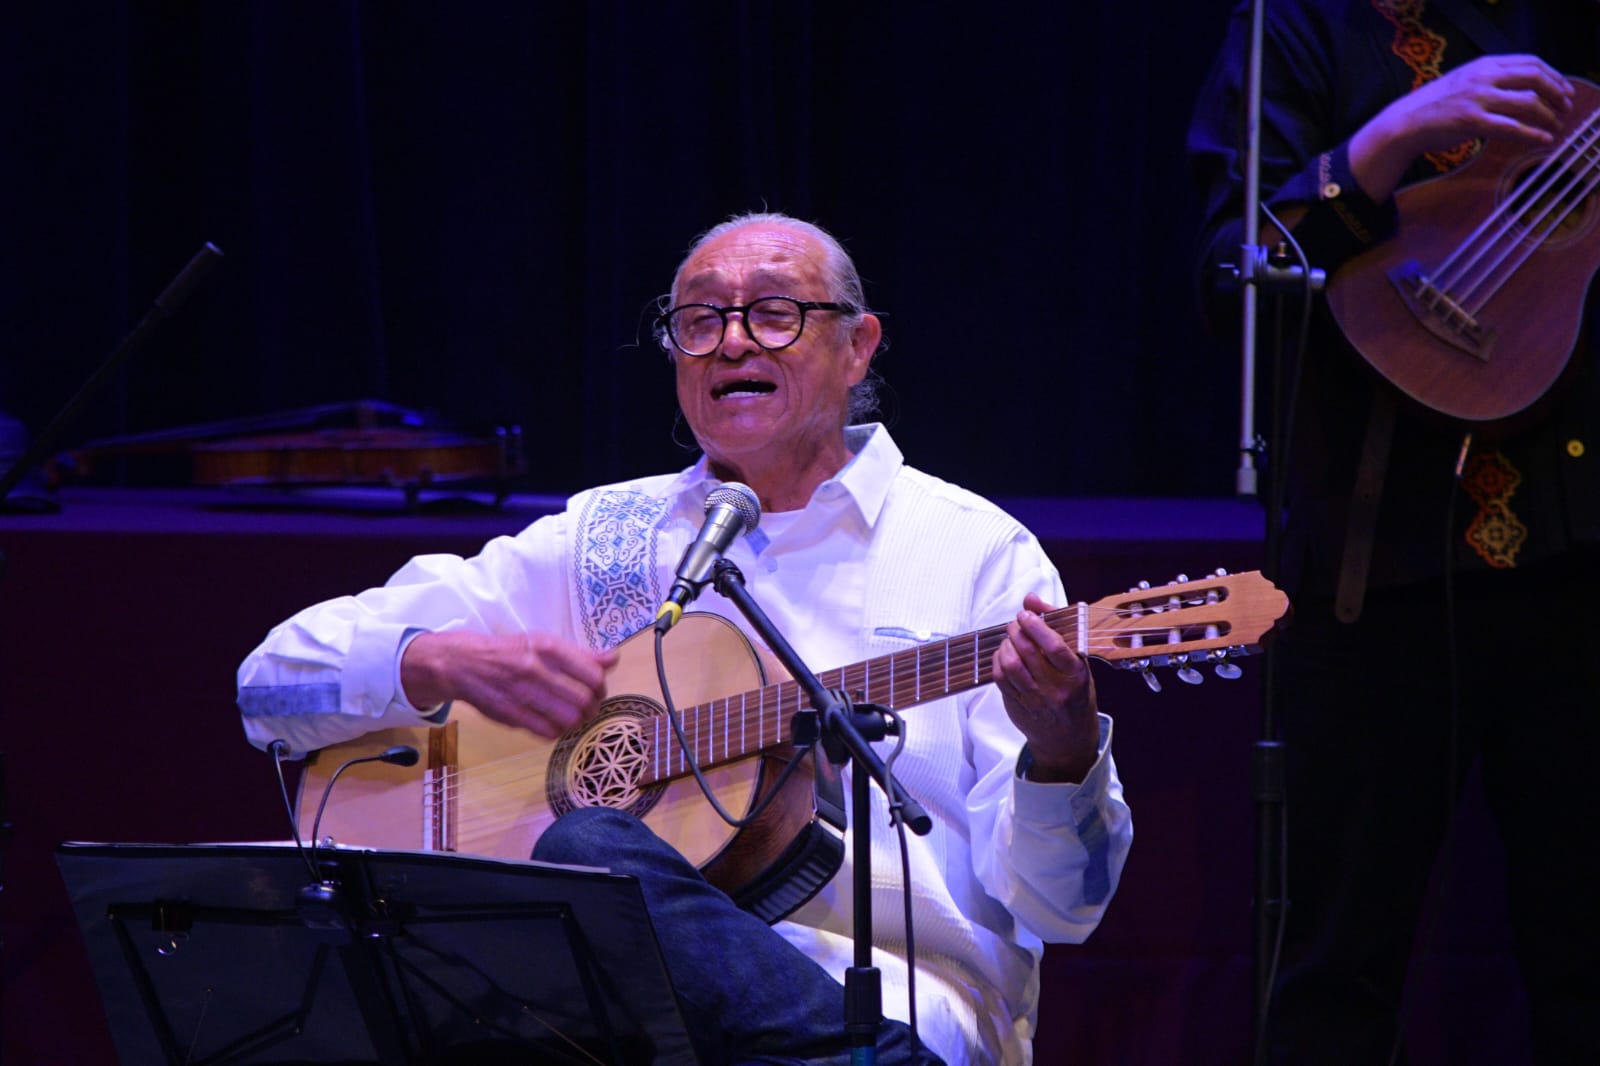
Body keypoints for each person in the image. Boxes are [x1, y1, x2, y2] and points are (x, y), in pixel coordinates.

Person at [237, 211, 1133, 1065]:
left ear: (858, 346)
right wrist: (430, 660)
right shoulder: (603, 537)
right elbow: (268, 689)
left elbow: (1064, 910)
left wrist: (1061, 753)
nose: (732, 342)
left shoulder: (973, 551)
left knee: (592, 856)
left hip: (886, 994)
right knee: (588, 855)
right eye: (699, 320)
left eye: (774, 313)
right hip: (595, 1014)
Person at [1188, 3, 1600, 1064]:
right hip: (1375, 574)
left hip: (1582, 557)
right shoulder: (1302, 23)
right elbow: (1236, 278)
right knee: (1335, 972)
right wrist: (1386, 140)